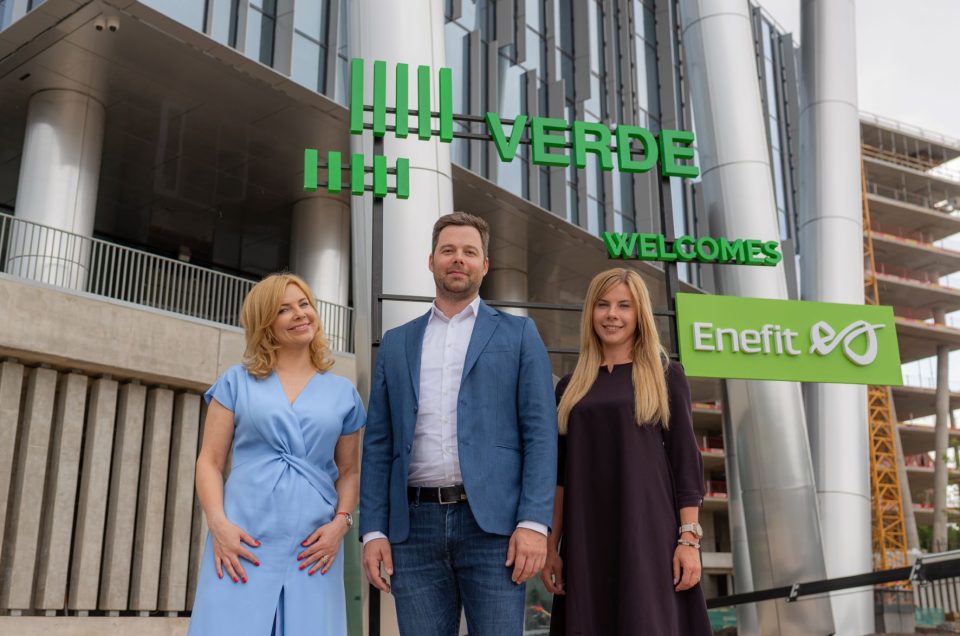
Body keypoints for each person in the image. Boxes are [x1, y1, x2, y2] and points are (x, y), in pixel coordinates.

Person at [360, 211, 557, 635]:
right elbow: (378, 443)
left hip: (496, 532)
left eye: (469, 252)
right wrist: (373, 529)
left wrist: (533, 523)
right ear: (430, 260)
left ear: (484, 266)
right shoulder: (396, 344)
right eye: (448, 250)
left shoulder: (520, 335)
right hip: (413, 532)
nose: (458, 259)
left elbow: (541, 435)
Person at [188, 273, 365, 635]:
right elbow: (209, 460)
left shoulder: (343, 393)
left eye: (304, 305)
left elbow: (350, 472)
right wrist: (218, 525)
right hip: (241, 542)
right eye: (284, 309)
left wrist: (340, 525)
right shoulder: (236, 382)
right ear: (266, 323)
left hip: (313, 549)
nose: (300, 314)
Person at [541, 267, 711, 635]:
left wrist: (689, 540)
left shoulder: (666, 376)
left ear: (639, 315)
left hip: (648, 532)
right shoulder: (570, 387)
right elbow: (559, 476)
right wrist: (552, 545)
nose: (612, 315)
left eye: (623, 306)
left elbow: (685, 462)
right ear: (591, 312)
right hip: (586, 535)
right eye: (602, 305)